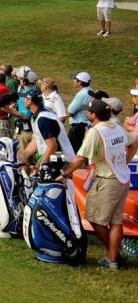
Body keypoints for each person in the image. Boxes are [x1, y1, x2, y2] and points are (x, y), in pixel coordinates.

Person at [64, 100, 135, 269]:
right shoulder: (117, 127)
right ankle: (113, 259)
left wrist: (63, 173)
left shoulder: (96, 132)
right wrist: (125, 161)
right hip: (121, 179)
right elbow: (132, 143)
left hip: (107, 180)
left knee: (95, 219)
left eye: (89, 111)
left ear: (93, 114)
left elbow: (80, 158)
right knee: (116, 221)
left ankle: (114, 255)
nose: (87, 113)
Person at [66, 72, 93, 151]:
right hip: (85, 125)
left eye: (75, 79)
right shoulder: (90, 91)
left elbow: (70, 112)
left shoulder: (82, 94)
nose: (73, 81)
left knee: (72, 152)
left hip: (78, 127)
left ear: (80, 82)